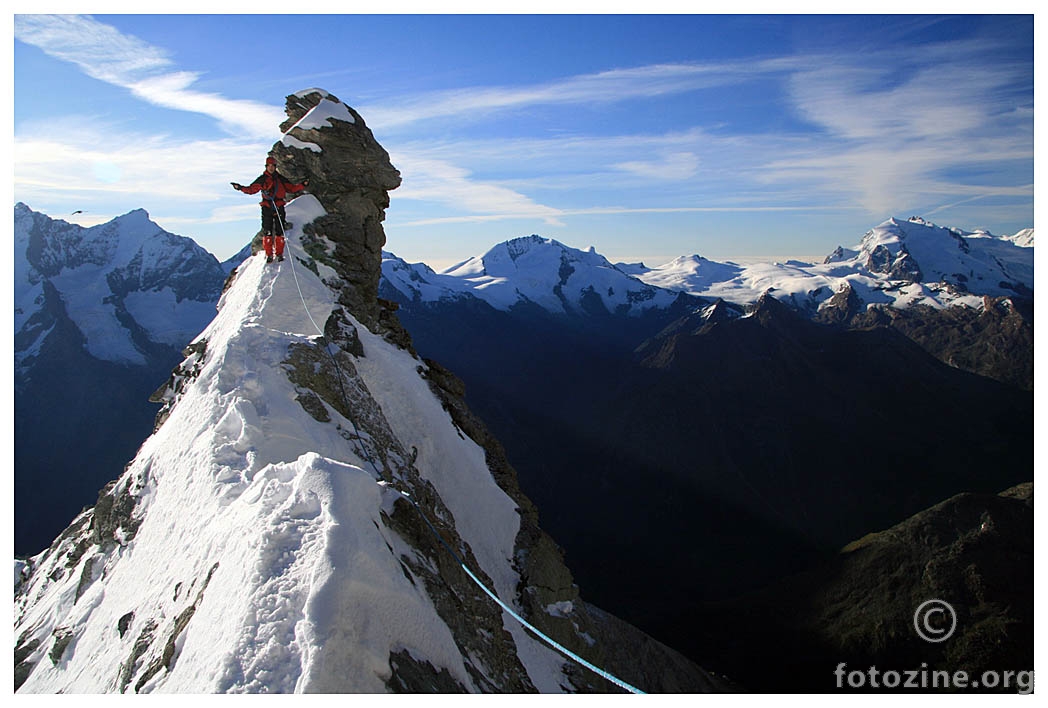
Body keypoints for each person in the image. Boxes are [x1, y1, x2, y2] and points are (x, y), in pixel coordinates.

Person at [232, 157, 309, 262]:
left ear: (275, 167)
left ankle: (279, 254)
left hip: (278, 205)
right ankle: (269, 255)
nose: (271, 168)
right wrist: (240, 187)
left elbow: (291, 188)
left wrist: (302, 185)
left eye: (273, 166)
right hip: (268, 206)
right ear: (266, 167)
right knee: (267, 231)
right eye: (269, 166)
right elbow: (251, 189)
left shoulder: (280, 179)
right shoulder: (263, 179)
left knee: (279, 231)